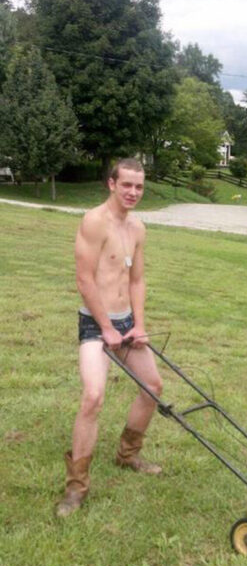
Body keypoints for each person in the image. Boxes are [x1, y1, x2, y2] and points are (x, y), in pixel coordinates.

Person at [56, 158, 163, 518]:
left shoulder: (138, 228)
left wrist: (139, 324)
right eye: (127, 185)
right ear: (111, 184)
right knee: (93, 396)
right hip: (95, 324)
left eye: (139, 186)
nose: (133, 192)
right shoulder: (94, 222)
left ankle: (127, 455)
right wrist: (105, 327)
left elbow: (137, 280)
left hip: (127, 324)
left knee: (153, 386)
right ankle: (76, 488)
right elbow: (84, 280)